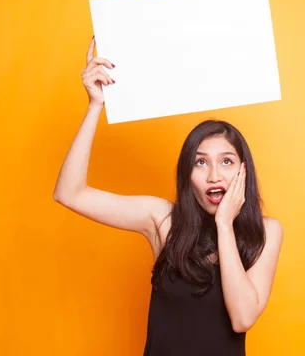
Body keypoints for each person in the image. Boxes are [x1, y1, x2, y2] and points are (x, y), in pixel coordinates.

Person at [53, 37, 283, 356]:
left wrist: (225, 226)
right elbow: (70, 193)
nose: (215, 175)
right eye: (201, 162)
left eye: (226, 162)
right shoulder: (162, 220)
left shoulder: (266, 231)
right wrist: (95, 106)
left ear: (244, 171)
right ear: (187, 174)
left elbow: (243, 318)